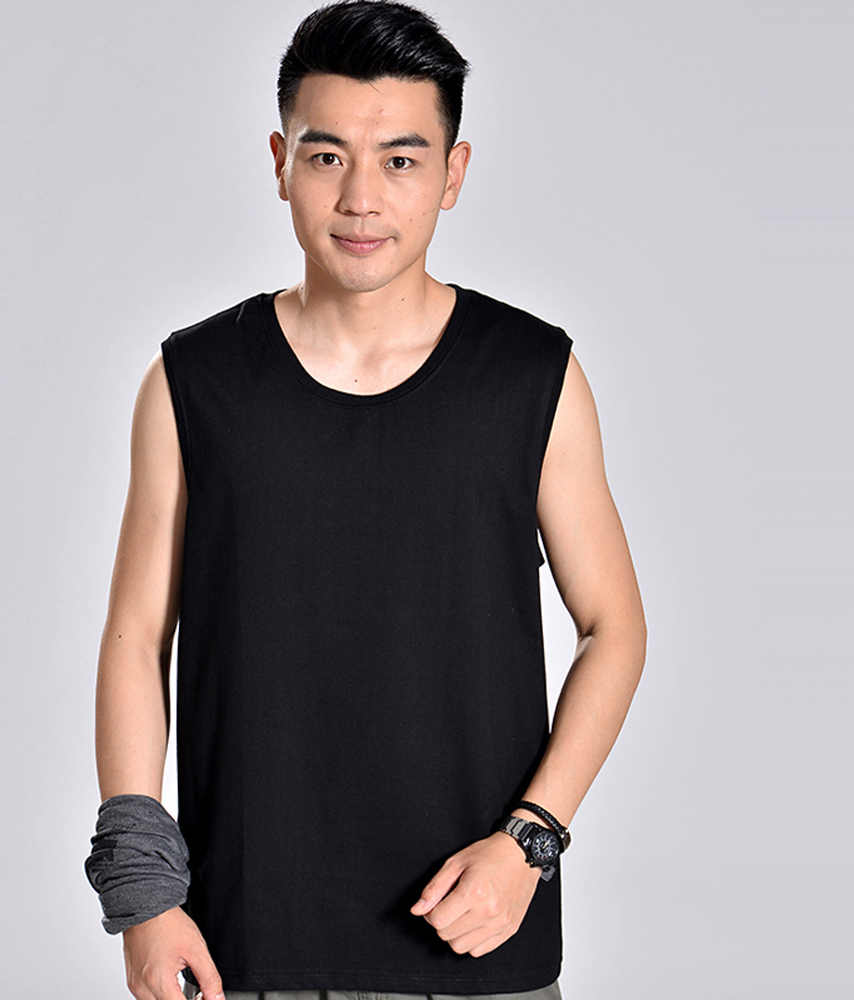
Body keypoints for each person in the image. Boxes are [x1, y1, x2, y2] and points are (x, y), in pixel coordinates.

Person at [86, 3, 646, 1000]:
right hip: (242, 942)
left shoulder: (532, 376)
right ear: (279, 163)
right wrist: (143, 895)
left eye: (400, 159)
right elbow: (135, 638)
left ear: (452, 174)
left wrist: (530, 842)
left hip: (478, 939)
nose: (360, 198)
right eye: (326, 156)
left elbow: (615, 626)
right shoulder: (191, 383)